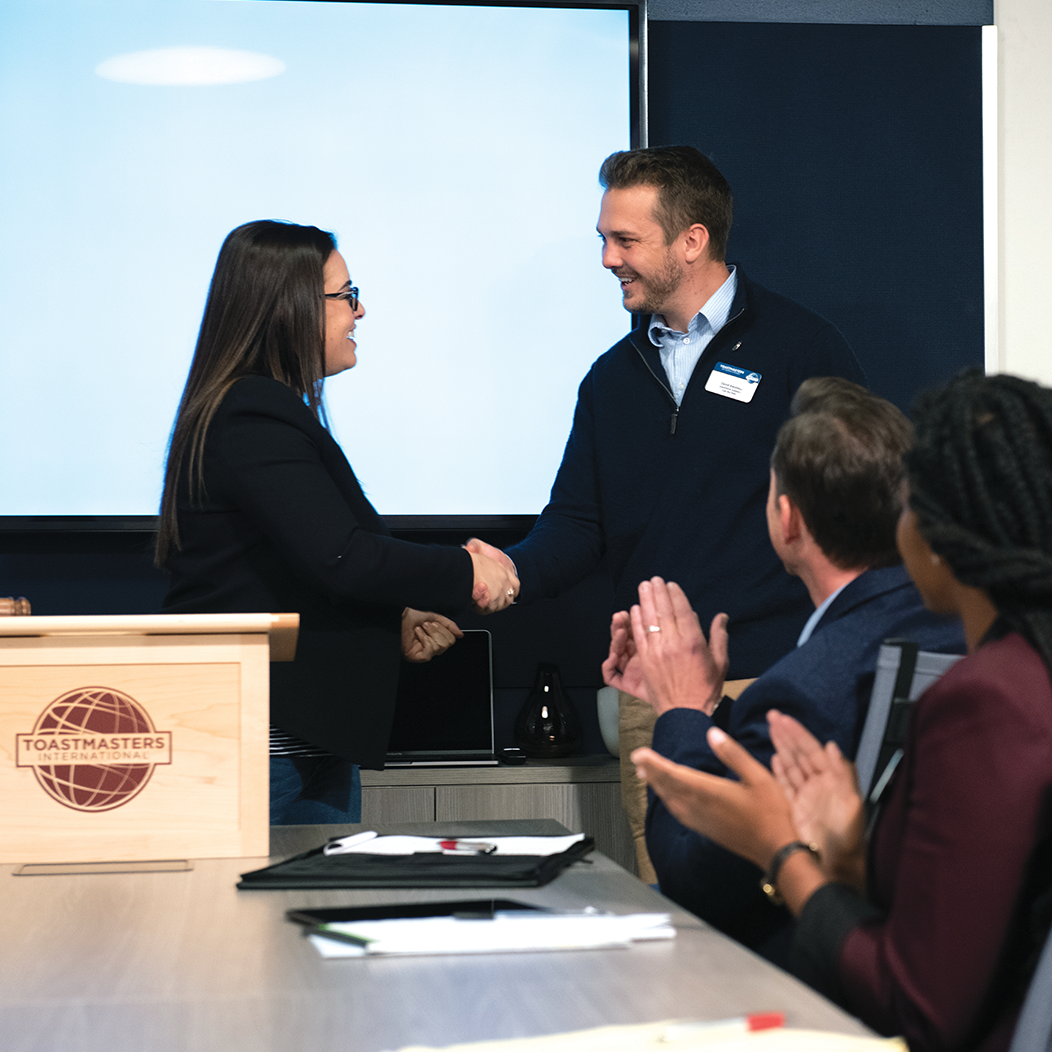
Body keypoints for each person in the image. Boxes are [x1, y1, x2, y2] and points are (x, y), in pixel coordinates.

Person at [467, 145, 866, 878]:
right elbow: (578, 524)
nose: (607, 259)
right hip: (654, 696)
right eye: (603, 239)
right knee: (672, 920)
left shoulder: (800, 349)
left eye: (625, 240)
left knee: (790, 905)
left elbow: (858, 513)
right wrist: (510, 570)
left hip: (774, 686)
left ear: (693, 240)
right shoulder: (610, 381)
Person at [630, 370, 1052, 1051]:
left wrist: (783, 849)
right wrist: (853, 859)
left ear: (943, 541)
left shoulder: (986, 701)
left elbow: (916, 1005)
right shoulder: (1020, 670)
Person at [157, 220, 518, 824]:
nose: (360, 310)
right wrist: (468, 571)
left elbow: (295, 569)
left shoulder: (257, 410)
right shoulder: (252, 412)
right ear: (290, 307)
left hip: (301, 744)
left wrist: (395, 614)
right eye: (346, 295)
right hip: (266, 747)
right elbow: (343, 558)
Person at [603, 377, 964, 955]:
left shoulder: (801, 693)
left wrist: (679, 710)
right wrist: (714, 711)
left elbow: (698, 878)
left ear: (788, 520)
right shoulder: (958, 628)